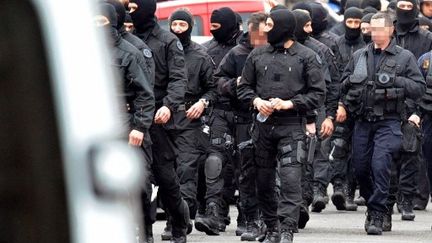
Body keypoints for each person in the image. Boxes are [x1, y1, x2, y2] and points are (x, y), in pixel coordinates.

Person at [237, 9, 325, 243]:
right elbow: (243, 87)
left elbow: (318, 93)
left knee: (290, 179)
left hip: (291, 126)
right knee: (263, 181)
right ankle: (271, 227)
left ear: (284, 26)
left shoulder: (306, 56)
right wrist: (257, 101)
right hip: (263, 127)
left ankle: (287, 228)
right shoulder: (257, 55)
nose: (266, 28)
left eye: (270, 24)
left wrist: (289, 103)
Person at [340, 12, 425, 235]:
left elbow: (419, 88)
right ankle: (375, 204)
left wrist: (395, 81)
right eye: (371, 29)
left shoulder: (404, 57)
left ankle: (378, 212)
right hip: (362, 121)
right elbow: (343, 85)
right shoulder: (359, 55)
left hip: (389, 121)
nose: (374, 33)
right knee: (360, 168)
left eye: (379, 29)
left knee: (380, 165)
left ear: (390, 30)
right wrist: (351, 87)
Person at [130, 0, 190, 242]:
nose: (131, 13)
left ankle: (179, 225)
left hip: (159, 117)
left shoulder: (168, 41)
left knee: (166, 179)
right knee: (139, 180)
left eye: (135, 8)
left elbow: (178, 79)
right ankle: (144, 233)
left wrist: (168, 105)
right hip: (134, 117)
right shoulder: (128, 40)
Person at [158, 8, 217, 241]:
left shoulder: (201, 56)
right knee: (165, 172)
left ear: (190, 26)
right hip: (164, 117)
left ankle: (177, 222)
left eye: (183, 25)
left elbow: (213, 88)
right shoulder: (162, 51)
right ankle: (176, 216)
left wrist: (203, 102)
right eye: (175, 25)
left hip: (190, 120)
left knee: (186, 171)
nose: (178, 29)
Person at [214, 12, 268, 241]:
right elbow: (218, 82)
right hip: (242, 118)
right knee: (243, 171)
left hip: (270, 119)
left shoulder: (277, 53)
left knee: (265, 172)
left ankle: (266, 219)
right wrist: (233, 85)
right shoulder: (236, 54)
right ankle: (247, 218)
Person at [292, 8, 340, 227]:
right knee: (293, 158)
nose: (310, 30)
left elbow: (332, 85)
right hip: (289, 111)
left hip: (316, 108)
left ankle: (313, 193)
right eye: (306, 25)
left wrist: (330, 114)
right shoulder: (279, 48)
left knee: (315, 152)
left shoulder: (319, 50)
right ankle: (295, 204)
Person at [393, 0, 432, 215]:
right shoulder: (389, 34)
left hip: (420, 100)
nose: (406, 11)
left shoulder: (427, 39)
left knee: (415, 151)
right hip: (391, 98)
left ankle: (413, 197)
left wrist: (420, 109)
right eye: (402, 6)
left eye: (410, 6)